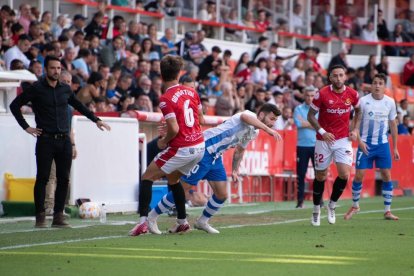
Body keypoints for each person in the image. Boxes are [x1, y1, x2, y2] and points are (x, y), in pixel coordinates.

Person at [146, 104, 282, 234]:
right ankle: (151, 217)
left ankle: (202, 221)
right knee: (183, 189)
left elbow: (240, 150)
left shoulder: (255, 132)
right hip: (204, 149)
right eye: (272, 119)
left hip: (216, 157)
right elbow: (244, 118)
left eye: (275, 120)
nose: (273, 123)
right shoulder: (249, 114)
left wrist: (235, 169)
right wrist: (267, 129)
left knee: (222, 194)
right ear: (262, 114)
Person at [9, 56, 111, 228]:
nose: (56, 71)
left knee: (64, 179)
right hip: (45, 140)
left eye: (58, 68)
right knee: (42, 178)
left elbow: (79, 106)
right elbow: (14, 105)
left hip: (64, 140)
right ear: (46, 69)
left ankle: (58, 216)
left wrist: (96, 120)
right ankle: (40, 216)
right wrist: (26, 127)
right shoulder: (36, 89)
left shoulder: (65, 89)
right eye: (52, 68)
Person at [129, 55, 206, 236]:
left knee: (147, 177)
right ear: (180, 73)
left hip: (183, 147)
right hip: (199, 146)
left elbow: (174, 127)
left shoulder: (165, 98)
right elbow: (201, 119)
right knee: (173, 179)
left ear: (161, 75)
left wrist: (164, 141)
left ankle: (142, 222)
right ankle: (182, 221)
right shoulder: (192, 92)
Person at [307, 64, 360, 226]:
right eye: (335, 75)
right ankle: (316, 210)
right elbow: (310, 116)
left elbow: (359, 111)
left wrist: (355, 129)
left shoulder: (352, 94)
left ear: (345, 77)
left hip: (343, 140)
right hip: (323, 140)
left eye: (341, 75)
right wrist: (322, 132)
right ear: (330, 78)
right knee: (321, 176)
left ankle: (332, 205)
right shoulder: (321, 94)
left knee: (344, 174)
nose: (338, 78)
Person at [344, 74, 400, 221]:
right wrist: (359, 141)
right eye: (375, 83)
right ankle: (355, 205)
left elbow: (393, 126)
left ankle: (387, 211)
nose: (377, 86)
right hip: (365, 144)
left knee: (386, 175)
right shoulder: (362, 101)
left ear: (384, 86)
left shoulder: (390, 102)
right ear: (371, 85)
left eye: (380, 83)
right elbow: (355, 123)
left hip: (382, 145)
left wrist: (395, 148)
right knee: (359, 175)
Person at [293, 87, 317, 208]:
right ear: (304, 96)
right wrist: (314, 123)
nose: (309, 98)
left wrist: (306, 123)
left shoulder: (319, 109)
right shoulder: (298, 108)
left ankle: (319, 200)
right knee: (301, 174)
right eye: (307, 95)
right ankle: (300, 201)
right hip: (302, 146)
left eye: (312, 95)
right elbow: (298, 123)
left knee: (319, 174)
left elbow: (321, 126)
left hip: (316, 145)